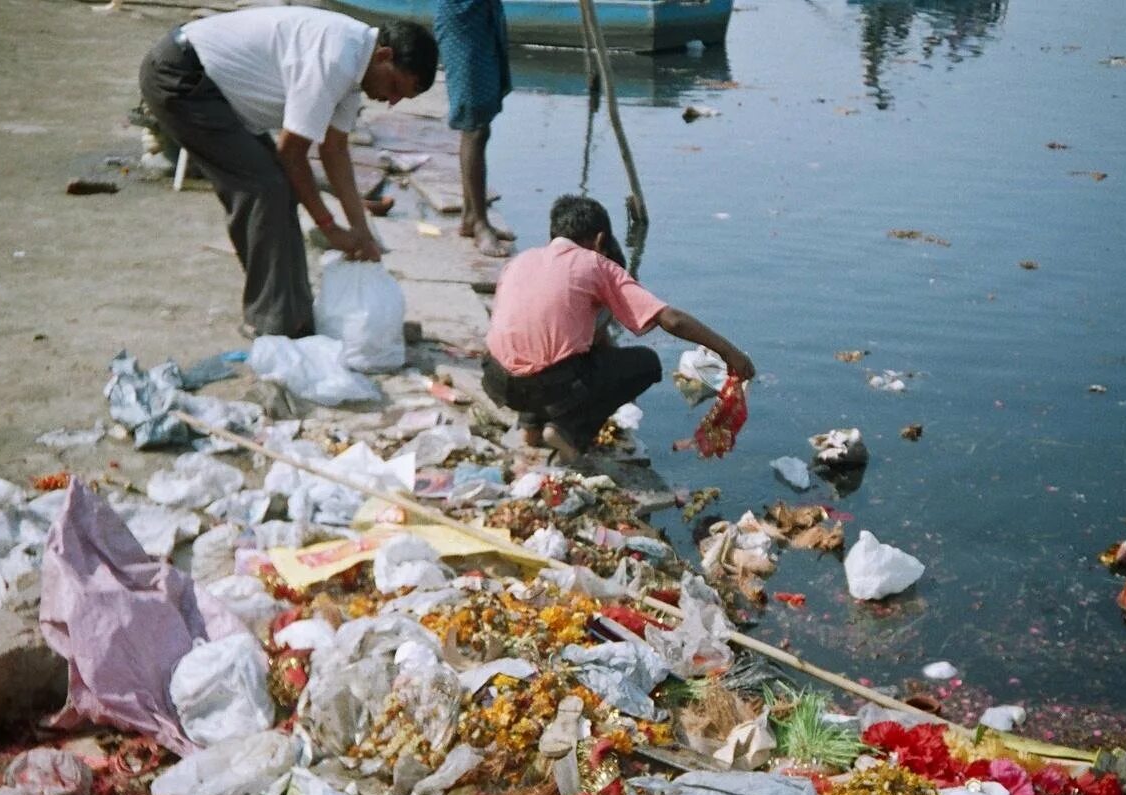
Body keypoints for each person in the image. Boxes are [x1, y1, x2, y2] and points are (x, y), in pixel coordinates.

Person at [139, 8, 438, 339]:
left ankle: (294, 316)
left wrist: (360, 230)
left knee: (281, 187)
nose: (390, 100)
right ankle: (272, 322)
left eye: (401, 97)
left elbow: (335, 151)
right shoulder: (336, 59)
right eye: (394, 86)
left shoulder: (357, 69)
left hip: (211, 88)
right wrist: (329, 227)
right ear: (384, 55)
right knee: (265, 189)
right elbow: (292, 153)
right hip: (181, 78)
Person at [482, 195, 756, 461]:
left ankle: (530, 428)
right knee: (645, 363)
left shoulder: (520, 261)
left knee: (542, 353)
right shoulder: (594, 263)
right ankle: (568, 431)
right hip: (551, 386)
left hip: (497, 380)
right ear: (600, 239)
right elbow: (671, 319)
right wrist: (730, 353)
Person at [434, 0, 514, 258]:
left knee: (482, 122)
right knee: (475, 126)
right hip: (463, 17)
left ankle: (472, 216)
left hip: (483, 14)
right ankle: (479, 223)